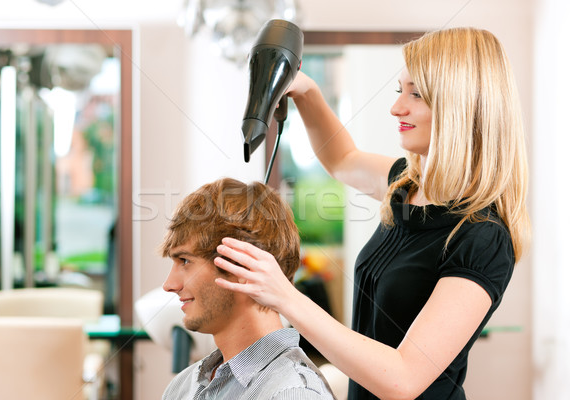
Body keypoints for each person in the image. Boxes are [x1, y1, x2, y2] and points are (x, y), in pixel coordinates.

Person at [214, 27, 530, 400]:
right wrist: (306, 89)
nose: (398, 107)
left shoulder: (482, 237)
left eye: (417, 94)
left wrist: (284, 296)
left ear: (462, 106)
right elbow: (341, 158)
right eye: (401, 91)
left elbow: (403, 379)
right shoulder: (405, 185)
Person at [159, 177, 336, 400]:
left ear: (241, 266)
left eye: (185, 261)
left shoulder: (292, 393)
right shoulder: (181, 388)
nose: (169, 285)